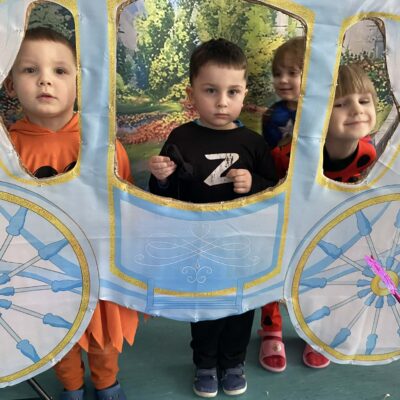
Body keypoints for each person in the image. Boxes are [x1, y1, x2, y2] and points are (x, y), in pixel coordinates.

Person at [4, 27, 138, 400]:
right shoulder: (6, 148)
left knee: (102, 335)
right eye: (30, 70)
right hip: (36, 271)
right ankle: (72, 388)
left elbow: (125, 208)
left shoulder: (102, 143)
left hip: (96, 266)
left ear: (79, 82)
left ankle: (107, 384)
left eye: (60, 70)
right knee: (54, 334)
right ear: (10, 83)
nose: (45, 79)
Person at [148, 38, 277, 398]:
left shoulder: (254, 143)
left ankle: (233, 362)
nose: (222, 102)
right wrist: (161, 178)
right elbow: (166, 197)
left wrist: (254, 184)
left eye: (232, 92)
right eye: (211, 91)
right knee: (204, 307)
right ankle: (204, 363)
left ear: (244, 92)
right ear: (192, 94)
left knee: (240, 307)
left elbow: (274, 192)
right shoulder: (180, 137)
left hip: (242, 246)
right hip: (197, 245)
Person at [260, 62, 377, 372]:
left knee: (328, 280)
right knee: (275, 274)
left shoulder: (371, 157)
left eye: (364, 100)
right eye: (341, 104)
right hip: (290, 229)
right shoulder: (288, 157)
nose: (357, 110)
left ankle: (317, 330)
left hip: (335, 234)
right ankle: (271, 329)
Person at [259, 35, 332, 373]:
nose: (283, 80)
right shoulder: (271, 116)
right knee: (274, 265)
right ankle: (271, 328)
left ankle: (314, 328)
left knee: (314, 268)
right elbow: (267, 160)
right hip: (280, 202)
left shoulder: (326, 111)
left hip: (316, 204)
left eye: (293, 72)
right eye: (278, 73)